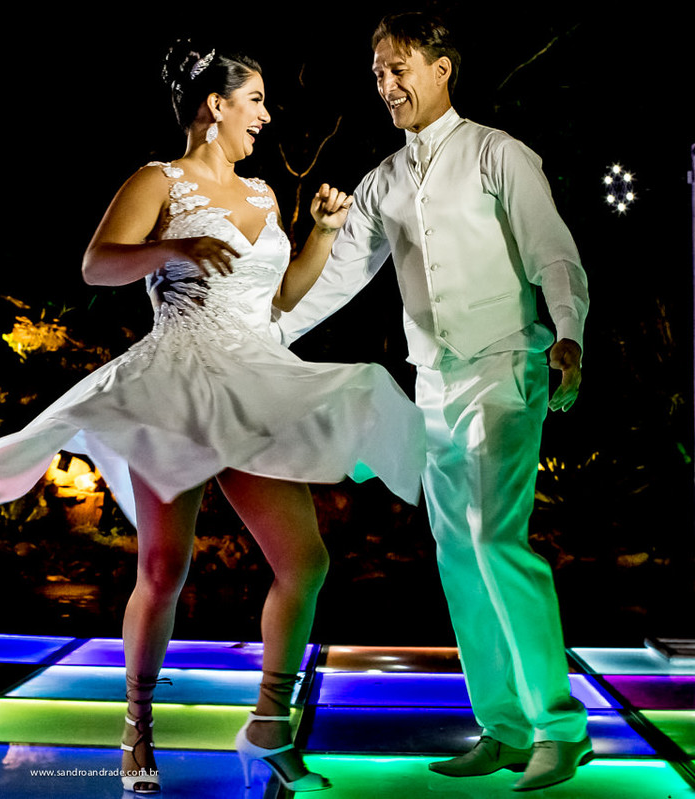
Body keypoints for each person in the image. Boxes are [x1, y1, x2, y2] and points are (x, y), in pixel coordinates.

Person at [0, 41, 425, 794]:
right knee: (163, 566)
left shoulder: (269, 195)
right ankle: (136, 730)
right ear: (216, 106)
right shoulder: (157, 180)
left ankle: (268, 724)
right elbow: (96, 263)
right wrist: (173, 243)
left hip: (252, 380)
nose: (267, 118)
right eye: (256, 102)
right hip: (176, 383)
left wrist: (325, 233)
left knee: (305, 561)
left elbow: (280, 301)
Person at [276, 12, 592, 792]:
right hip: (436, 384)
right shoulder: (384, 179)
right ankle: (506, 727)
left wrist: (569, 333)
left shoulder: (498, 154)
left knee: (495, 539)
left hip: (504, 367)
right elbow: (343, 276)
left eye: (400, 66)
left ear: (443, 67)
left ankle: (561, 726)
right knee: (456, 555)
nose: (387, 83)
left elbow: (555, 252)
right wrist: (264, 334)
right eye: (378, 71)